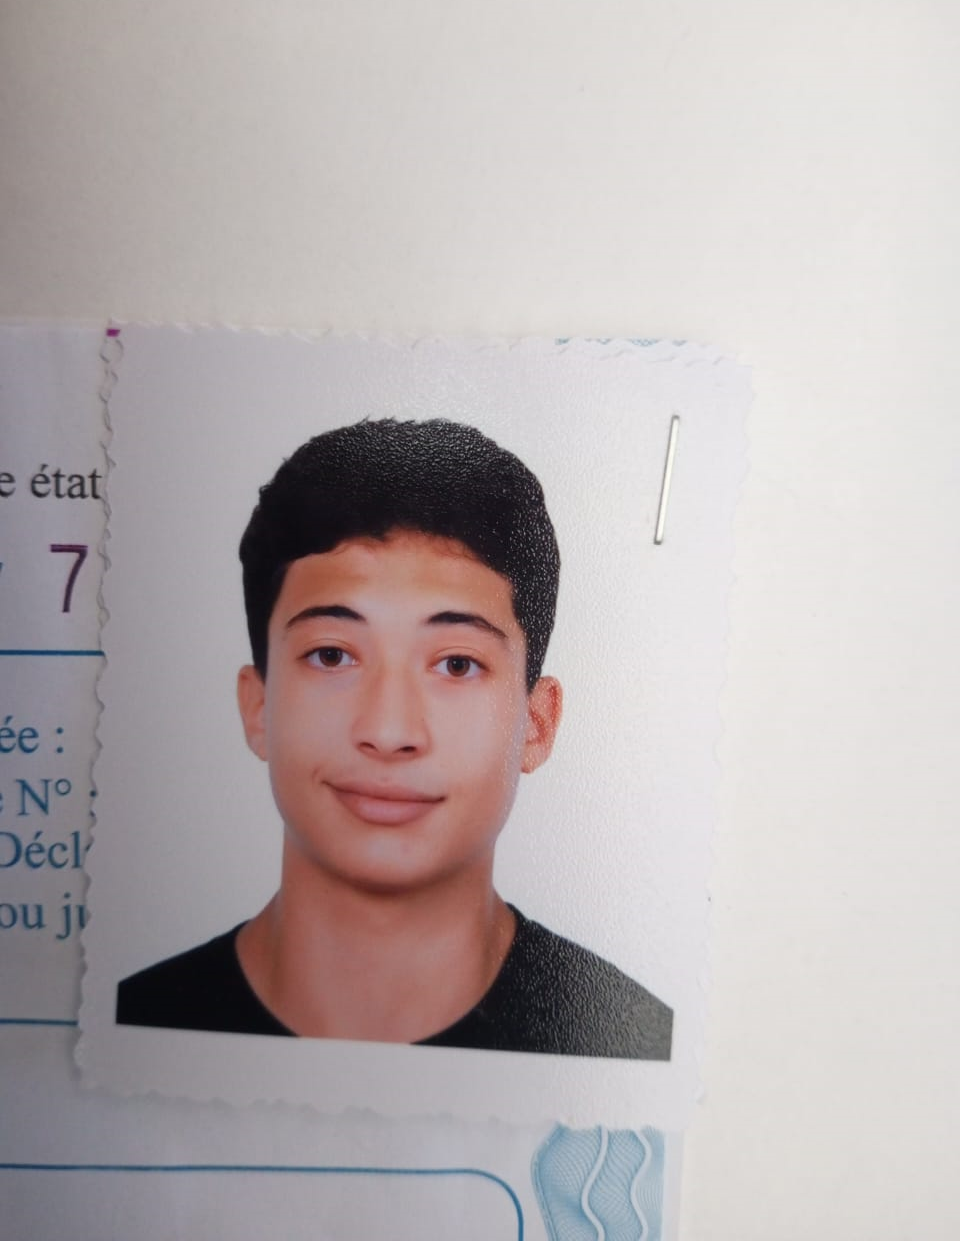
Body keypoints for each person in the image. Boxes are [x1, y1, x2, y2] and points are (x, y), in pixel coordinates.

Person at [117, 418, 672, 1060]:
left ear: (537, 724)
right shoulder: (137, 1022)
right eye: (332, 655)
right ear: (258, 705)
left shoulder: (628, 1044)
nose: (388, 732)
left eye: (456, 664)